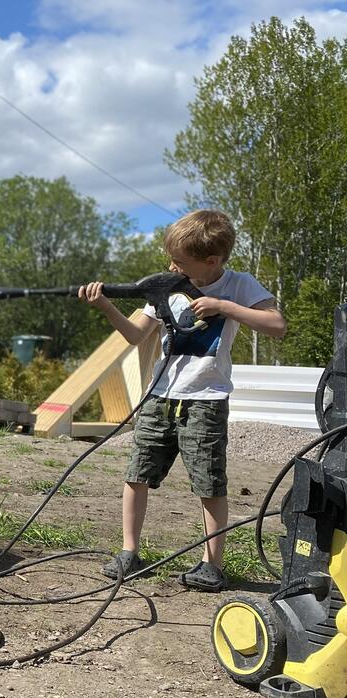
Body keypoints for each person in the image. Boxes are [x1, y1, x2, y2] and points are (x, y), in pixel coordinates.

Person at [79, 209, 286, 591]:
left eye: (181, 261)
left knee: (209, 482)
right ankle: (129, 551)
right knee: (137, 474)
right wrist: (106, 306)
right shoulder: (167, 286)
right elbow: (135, 336)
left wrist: (222, 306)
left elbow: (277, 325)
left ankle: (211, 565)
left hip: (205, 400)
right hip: (159, 398)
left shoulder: (239, 285)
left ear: (212, 261)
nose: (172, 266)